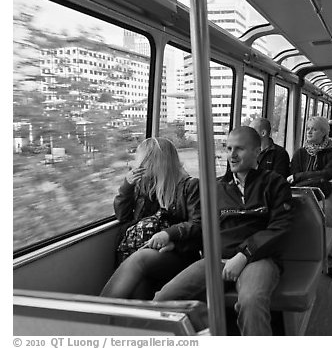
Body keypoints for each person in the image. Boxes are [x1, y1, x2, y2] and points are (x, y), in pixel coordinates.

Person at [152, 126, 294, 336]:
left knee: (251, 302)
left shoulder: (274, 184)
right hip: (217, 258)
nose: (232, 155)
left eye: (239, 149)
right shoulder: (216, 188)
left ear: (257, 151)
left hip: (259, 259)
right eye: (228, 149)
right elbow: (204, 227)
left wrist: (244, 255)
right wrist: (176, 240)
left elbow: (280, 228)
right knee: (164, 299)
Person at [101, 137, 202, 300]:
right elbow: (123, 216)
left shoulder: (190, 187)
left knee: (140, 258)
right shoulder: (146, 187)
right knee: (140, 282)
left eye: (143, 162)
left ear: (156, 163)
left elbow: (198, 225)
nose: (138, 167)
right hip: (148, 249)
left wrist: (169, 235)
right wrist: (127, 186)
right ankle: (138, 322)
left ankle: (98, 313)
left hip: (179, 251)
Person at [288, 116, 332, 282]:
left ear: (324, 133)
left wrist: (302, 176)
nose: (309, 131)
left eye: (314, 129)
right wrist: (314, 178)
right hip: (304, 192)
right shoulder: (300, 153)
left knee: (323, 212)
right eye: (308, 128)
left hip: (329, 193)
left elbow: (328, 174)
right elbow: (295, 176)